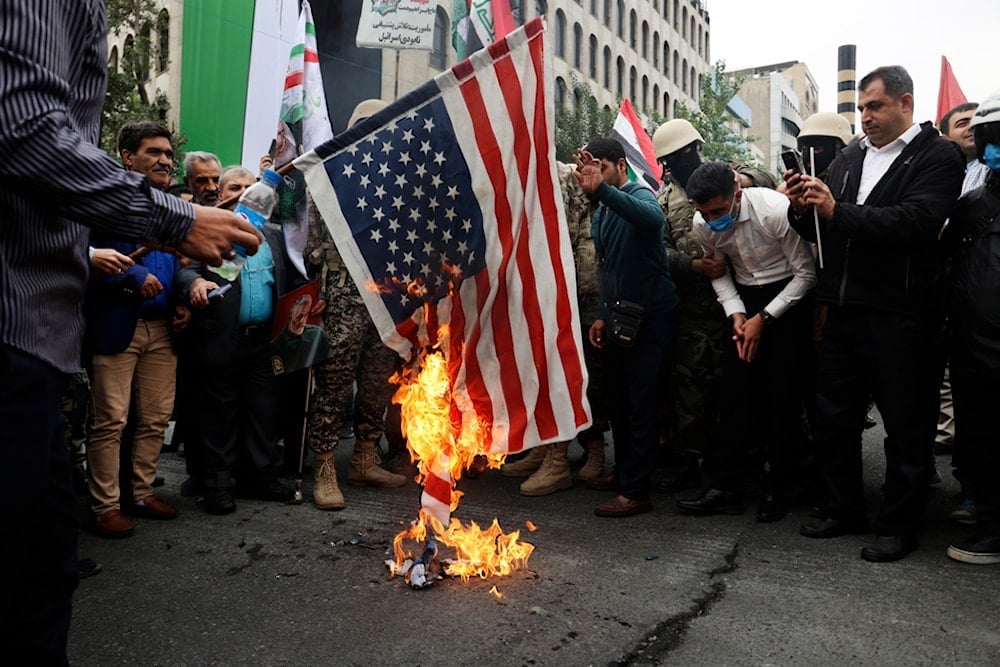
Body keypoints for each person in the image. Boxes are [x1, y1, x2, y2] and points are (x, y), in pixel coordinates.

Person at [0, 2, 259, 660]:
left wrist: (185, 270)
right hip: (19, 332)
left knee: (46, 565)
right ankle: (113, 497)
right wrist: (176, 220)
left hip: (41, 340)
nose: (171, 169)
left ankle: (134, 492)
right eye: (162, 160)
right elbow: (25, 128)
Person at [785, 65, 965, 562]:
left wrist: (834, 212)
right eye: (861, 108)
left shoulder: (937, 155)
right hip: (844, 311)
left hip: (902, 314)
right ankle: (842, 508)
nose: (865, 117)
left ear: (906, 103)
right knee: (834, 419)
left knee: (907, 424)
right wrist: (802, 208)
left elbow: (917, 222)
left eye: (876, 106)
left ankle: (899, 524)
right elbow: (820, 233)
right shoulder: (847, 159)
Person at [676, 161, 816, 522]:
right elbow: (719, 273)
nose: (712, 220)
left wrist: (763, 319)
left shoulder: (774, 209)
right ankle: (727, 487)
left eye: (719, 211)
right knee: (734, 396)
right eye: (704, 213)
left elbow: (806, 274)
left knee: (780, 398)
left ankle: (778, 486)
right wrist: (737, 315)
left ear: (737, 194)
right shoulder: (702, 222)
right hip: (743, 301)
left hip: (788, 300)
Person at [84, 121, 188, 538]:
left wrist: (183, 297)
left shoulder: (169, 205)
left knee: (156, 419)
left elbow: (180, 265)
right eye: (154, 153)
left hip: (162, 330)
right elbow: (86, 258)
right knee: (111, 420)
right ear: (128, 156)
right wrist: (134, 276)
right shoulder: (106, 201)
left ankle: (142, 492)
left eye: (168, 153)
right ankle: (105, 505)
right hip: (117, 326)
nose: (165, 159)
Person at [306, 99, 409, 512]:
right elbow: (314, 245)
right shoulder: (331, 177)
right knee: (333, 383)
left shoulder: (397, 181)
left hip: (385, 298)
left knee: (377, 380)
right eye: (365, 127)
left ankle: (365, 457)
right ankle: (325, 467)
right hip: (345, 295)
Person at [176, 200, 307, 515]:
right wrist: (194, 283)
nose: (247, 199)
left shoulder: (276, 237)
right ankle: (218, 485)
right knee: (218, 416)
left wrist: (308, 299)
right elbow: (185, 271)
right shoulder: (211, 231)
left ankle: (259, 477)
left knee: (264, 412)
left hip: (265, 342)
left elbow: (295, 275)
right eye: (235, 190)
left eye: (251, 190)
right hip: (222, 339)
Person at [573, 137, 679, 518]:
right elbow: (607, 266)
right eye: (591, 167)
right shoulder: (601, 211)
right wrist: (601, 312)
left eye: (601, 166)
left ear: (620, 165)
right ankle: (624, 473)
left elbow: (650, 219)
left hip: (652, 317)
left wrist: (602, 191)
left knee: (642, 403)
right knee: (618, 400)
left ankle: (636, 490)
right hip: (620, 316)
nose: (594, 174)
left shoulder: (640, 194)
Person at [507, 161, 609, 495]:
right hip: (548, 290)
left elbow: (579, 240)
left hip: (581, 292)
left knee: (580, 377)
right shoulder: (527, 168)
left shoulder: (569, 178)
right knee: (542, 371)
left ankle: (586, 451)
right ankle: (545, 445)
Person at [649, 119, 727, 495]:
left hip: (738, 308)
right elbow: (657, 252)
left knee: (735, 391)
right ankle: (690, 461)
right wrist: (693, 266)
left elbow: (760, 182)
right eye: (674, 158)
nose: (684, 161)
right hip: (692, 311)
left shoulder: (727, 178)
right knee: (690, 392)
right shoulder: (663, 201)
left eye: (689, 153)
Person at [941, 92, 1000, 564]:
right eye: (989, 139)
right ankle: (988, 520)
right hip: (971, 346)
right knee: (980, 437)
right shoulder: (973, 204)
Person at [937, 101, 989, 521]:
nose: (971, 128)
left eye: (979, 122)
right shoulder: (948, 180)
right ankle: (973, 488)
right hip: (963, 311)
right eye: (962, 121)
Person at [270, 293, 329, 374]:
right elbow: (278, 373)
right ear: (291, 314)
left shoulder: (317, 335)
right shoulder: (276, 346)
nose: (302, 321)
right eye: (299, 316)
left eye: (306, 315)